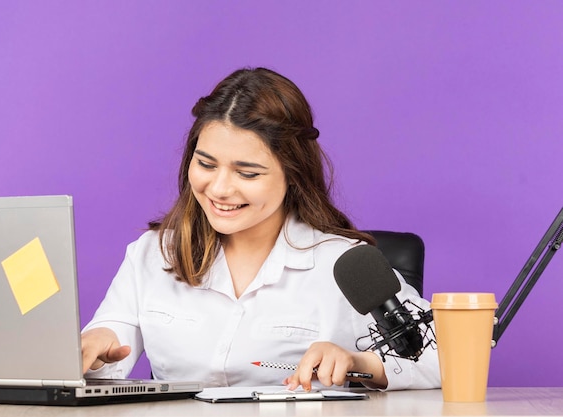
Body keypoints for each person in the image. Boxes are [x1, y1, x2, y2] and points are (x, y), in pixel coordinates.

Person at [81, 67, 440, 391]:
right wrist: (95, 349)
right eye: (206, 164)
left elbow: (444, 360)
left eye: (247, 173)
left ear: (292, 174)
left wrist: (362, 364)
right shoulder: (153, 253)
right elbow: (109, 342)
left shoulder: (345, 266)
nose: (220, 189)